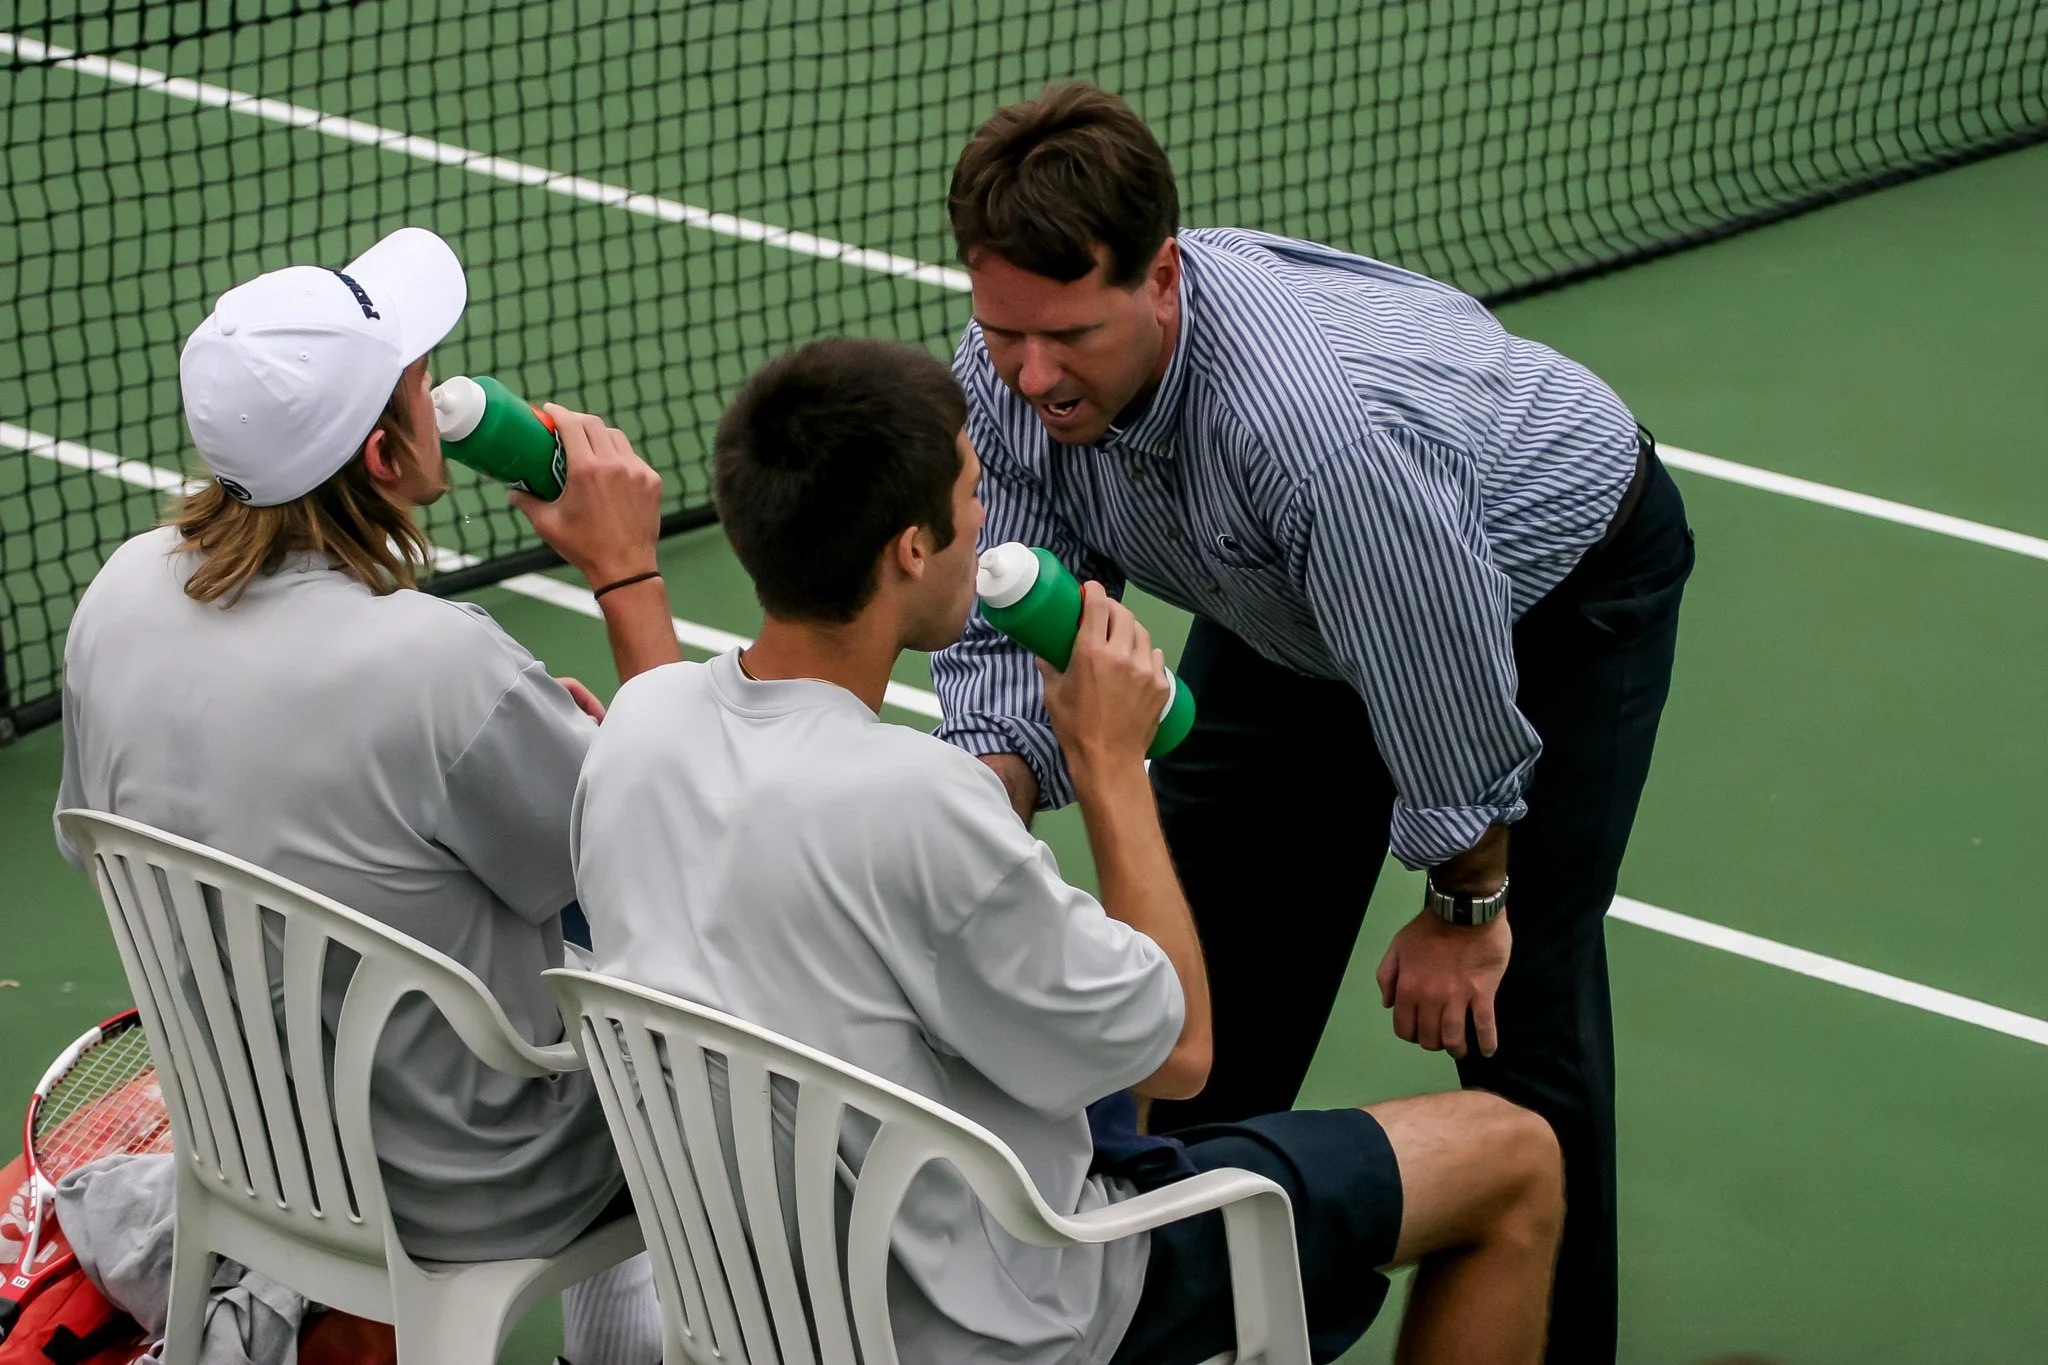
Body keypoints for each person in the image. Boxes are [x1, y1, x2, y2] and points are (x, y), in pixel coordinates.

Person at [572, 336, 1565, 1365]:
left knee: (1087, 1071)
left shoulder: (640, 722)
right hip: (997, 1311)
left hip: (754, 1300)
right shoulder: (920, 797)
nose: (982, 516)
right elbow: (1178, 1052)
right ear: (909, 548)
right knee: (1510, 1156)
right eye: (967, 492)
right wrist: (1106, 765)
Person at [929, 83, 1696, 1362]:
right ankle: (1151, 1321)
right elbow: (1025, 586)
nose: (1030, 373)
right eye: (1003, 330)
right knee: (1185, 1003)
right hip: (1281, 597)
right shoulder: (1008, 373)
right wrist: (979, 792)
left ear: (1160, 278)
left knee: (1515, 1010)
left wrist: (1461, 907)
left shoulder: (1312, 435)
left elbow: (1438, 669)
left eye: (1065, 335)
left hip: (1547, 594)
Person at [53, 227, 678, 1365]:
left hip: (243, 1138)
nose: (436, 389)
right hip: (463, 1188)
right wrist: (626, 573)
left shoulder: (116, 594)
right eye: (415, 383)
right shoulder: (440, 666)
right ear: (385, 457)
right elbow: (685, 863)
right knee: (696, 1040)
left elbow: (101, 843)